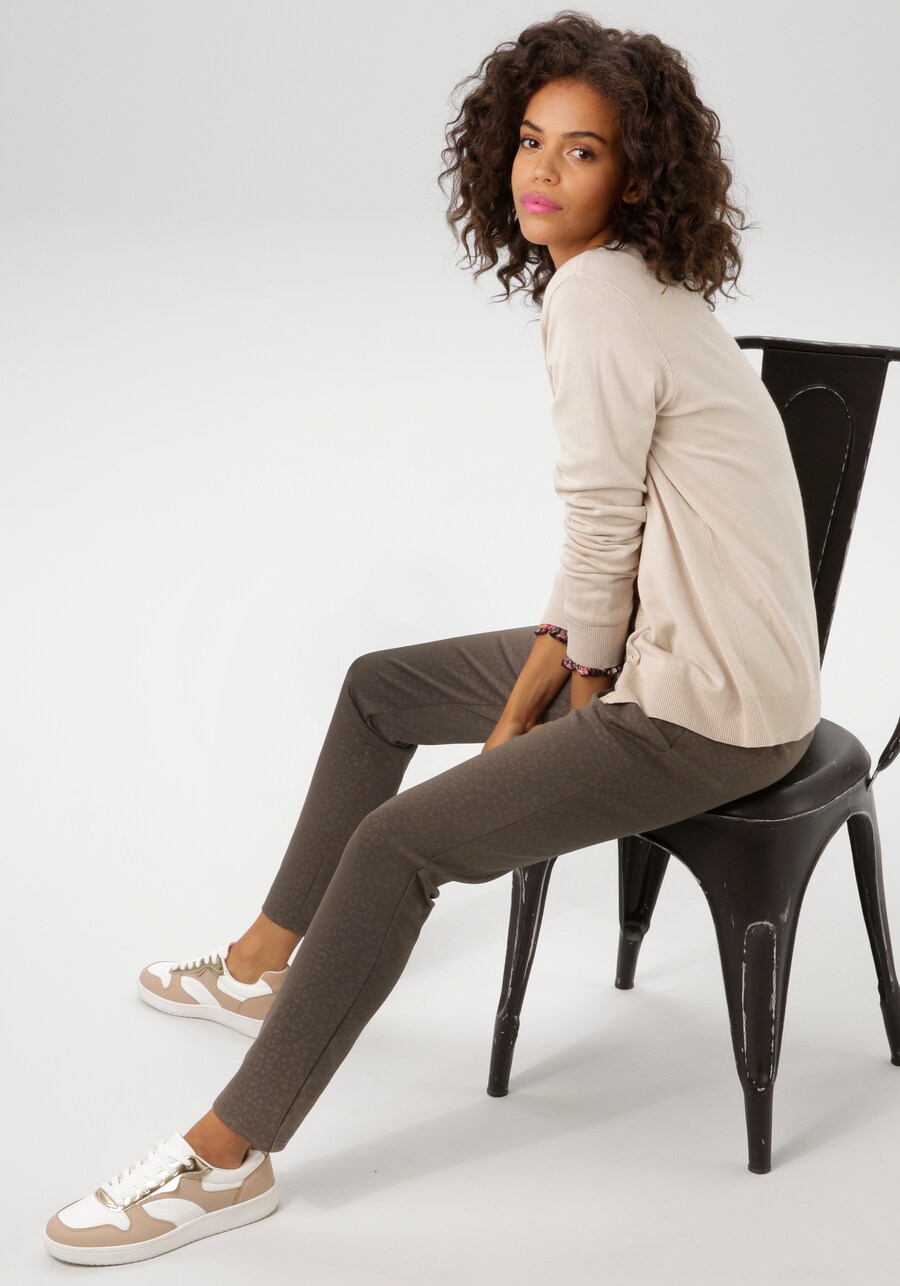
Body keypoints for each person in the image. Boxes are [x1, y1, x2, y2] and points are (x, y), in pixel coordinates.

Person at [43, 12, 821, 1266]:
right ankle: (260, 964)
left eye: (582, 151)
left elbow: (601, 541)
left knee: (397, 844)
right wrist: (529, 697)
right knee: (379, 689)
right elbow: (611, 554)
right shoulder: (634, 281)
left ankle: (229, 1155)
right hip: (687, 647)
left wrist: (549, 708)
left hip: (702, 707)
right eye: (531, 140)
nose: (541, 172)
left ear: (636, 176)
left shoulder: (600, 298)